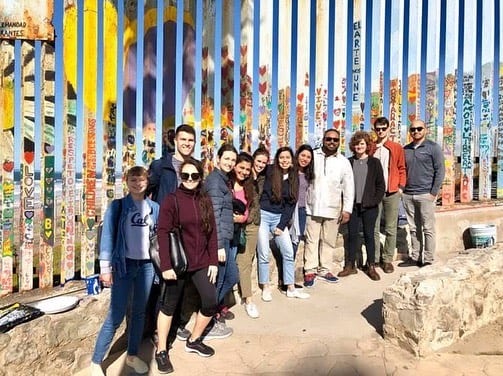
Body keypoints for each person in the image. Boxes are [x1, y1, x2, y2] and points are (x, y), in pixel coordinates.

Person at [91, 166, 159, 376]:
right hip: (123, 265)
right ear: (127, 182)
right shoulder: (118, 206)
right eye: (133, 179)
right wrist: (105, 268)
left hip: (147, 266)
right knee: (116, 314)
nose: (137, 183)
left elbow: (157, 237)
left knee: (139, 314)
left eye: (141, 180)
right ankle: (96, 362)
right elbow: (108, 236)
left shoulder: (154, 207)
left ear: (147, 182)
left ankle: (132, 355)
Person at [155, 159, 219, 373]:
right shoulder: (172, 200)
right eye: (185, 175)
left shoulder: (205, 199)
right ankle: (161, 350)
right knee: (169, 306)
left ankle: (194, 340)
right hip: (178, 263)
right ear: (180, 177)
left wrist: (213, 261)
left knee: (211, 301)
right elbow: (162, 233)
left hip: (200, 261)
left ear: (200, 177)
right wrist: (166, 266)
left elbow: (212, 232)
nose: (189, 179)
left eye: (194, 176)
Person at [303, 129, 354, 287]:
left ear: (339, 142)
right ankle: (309, 270)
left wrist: (347, 209)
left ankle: (325, 269)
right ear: (323, 140)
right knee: (311, 240)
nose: (332, 142)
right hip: (312, 206)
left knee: (329, 240)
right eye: (329, 139)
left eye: (335, 140)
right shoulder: (313, 156)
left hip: (333, 208)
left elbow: (349, 187)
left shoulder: (343, 161)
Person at [257, 147, 310, 300]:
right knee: (264, 252)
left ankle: (290, 287)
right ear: (277, 159)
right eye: (281, 157)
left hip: (279, 218)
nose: (284, 160)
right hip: (264, 215)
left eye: (287, 157)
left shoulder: (294, 178)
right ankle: (265, 286)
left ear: (291, 160)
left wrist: (281, 226)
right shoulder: (270, 171)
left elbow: (291, 204)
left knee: (288, 251)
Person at [338, 131, 385, 281]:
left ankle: (371, 266)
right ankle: (350, 265)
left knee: (369, 235)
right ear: (353, 146)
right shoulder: (348, 162)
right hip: (352, 206)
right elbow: (342, 184)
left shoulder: (374, 163)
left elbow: (380, 186)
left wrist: (373, 201)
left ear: (367, 145)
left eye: (362, 144)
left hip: (369, 207)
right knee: (352, 236)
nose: (359, 146)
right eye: (357, 144)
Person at [399, 120, 445, 267]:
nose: (416, 131)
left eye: (419, 129)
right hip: (408, 194)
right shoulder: (405, 149)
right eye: (413, 129)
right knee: (413, 228)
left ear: (425, 130)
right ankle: (416, 257)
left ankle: (428, 259)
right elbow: (402, 170)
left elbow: (440, 171)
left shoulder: (433, 148)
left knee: (428, 228)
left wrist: (433, 192)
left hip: (426, 194)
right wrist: (402, 190)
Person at [204, 144, 239, 321]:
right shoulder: (215, 181)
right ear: (218, 158)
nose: (230, 162)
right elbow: (213, 215)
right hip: (219, 239)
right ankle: (208, 319)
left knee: (231, 276)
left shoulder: (223, 179)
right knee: (218, 281)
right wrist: (217, 246)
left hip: (224, 236)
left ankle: (213, 311)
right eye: (226, 158)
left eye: (233, 159)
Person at [236, 147, 269, 318]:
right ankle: (248, 299)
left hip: (254, 222)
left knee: (248, 258)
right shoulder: (244, 176)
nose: (261, 165)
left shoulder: (263, 177)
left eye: (264, 162)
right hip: (240, 223)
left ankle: (245, 293)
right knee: (243, 260)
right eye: (259, 161)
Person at [372, 116, 407, 273]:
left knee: (391, 227)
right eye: (378, 128)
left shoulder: (395, 147)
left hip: (392, 191)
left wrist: (400, 187)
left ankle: (387, 260)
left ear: (388, 129)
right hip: (374, 193)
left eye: (383, 128)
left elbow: (402, 168)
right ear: (375, 130)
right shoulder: (371, 147)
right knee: (373, 226)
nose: (380, 131)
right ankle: (375, 258)